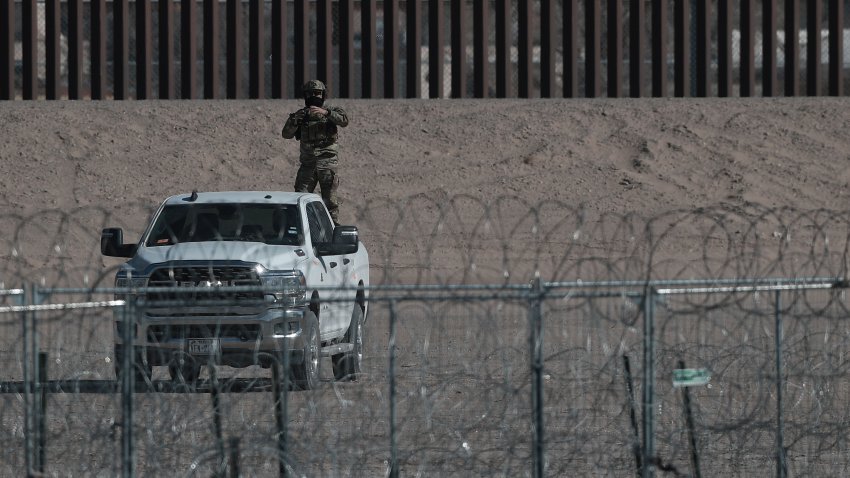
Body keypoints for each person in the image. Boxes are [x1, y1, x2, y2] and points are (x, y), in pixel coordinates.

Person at [281, 80, 349, 224]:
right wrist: (295, 120)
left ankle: (333, 230)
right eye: (310, 94)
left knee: (330, 201)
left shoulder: (332, 111)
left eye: (317, 93)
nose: (314, 96)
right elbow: (286, 134)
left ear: (323, 95)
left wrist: (326, 113)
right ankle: (301, 228)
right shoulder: (301, 115)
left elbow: (344, 120)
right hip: (308, 164)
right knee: (300, 199)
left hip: (327, 164)